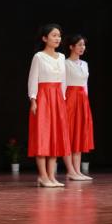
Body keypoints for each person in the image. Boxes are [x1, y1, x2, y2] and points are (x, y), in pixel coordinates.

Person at [27, 23, 80, 187]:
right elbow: (33, 79)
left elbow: (63, 81)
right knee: (43, 136)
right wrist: (33, 99)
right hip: (43, 97)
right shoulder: (39, 57)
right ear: (45, 38)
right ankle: (43, 176)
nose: (57, 38)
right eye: (54, 35)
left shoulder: (62, 57)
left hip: (57, 98)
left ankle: (51, 176)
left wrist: (63, 99)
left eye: (59, 35)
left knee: (55, 136)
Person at [64, 34, 94, 180]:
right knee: (69, 134)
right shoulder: (65, 63)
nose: (82, 47)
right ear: (71, 47)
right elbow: (62, 84)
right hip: (70, 99)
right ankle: (70, 171)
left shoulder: (84, 64)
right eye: (79, 45)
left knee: (79, 134)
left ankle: (77, 171)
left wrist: (86, 101)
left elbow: (85, 85)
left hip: (82, 100)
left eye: (83, 45)